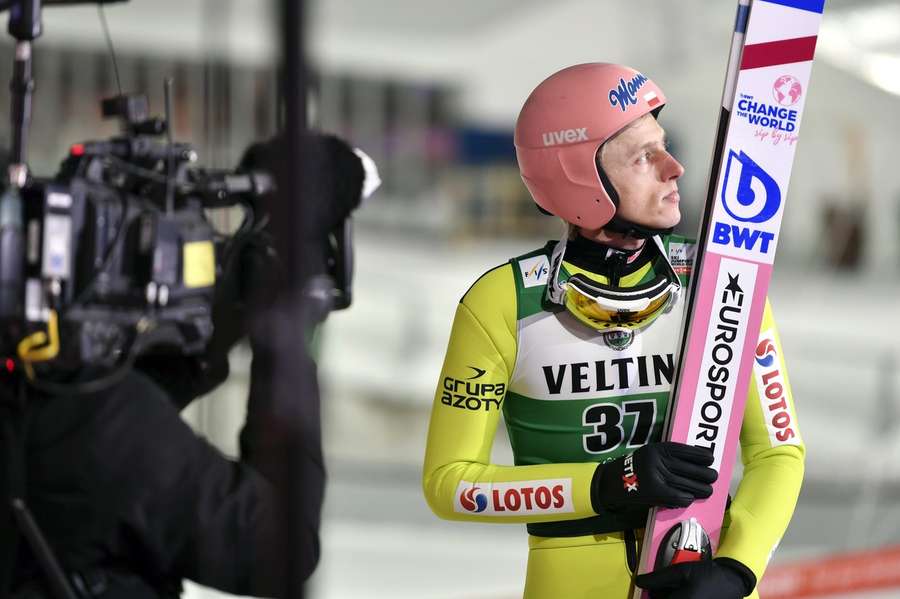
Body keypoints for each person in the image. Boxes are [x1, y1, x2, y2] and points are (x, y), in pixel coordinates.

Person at [422, 63, 804, 599]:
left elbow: (778, 452)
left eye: (664, 146)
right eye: (644, 156)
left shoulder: (723, 284)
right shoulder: (503, 301)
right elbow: (451, 485)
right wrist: (605, 485)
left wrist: (738, 570)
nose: (675, 168)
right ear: (579, 176)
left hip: (703, 571)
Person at [0, 133, 377, 599]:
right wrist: (285, 342)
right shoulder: (95, 423)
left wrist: (232, 311)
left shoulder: (56, 404)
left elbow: (108, 417)